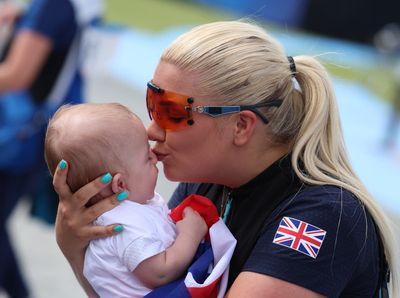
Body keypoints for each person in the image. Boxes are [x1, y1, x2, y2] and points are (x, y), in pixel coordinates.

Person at [51, 21, 399, 297]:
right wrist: (75, 249)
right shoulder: (204, 179)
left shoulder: (323, 216)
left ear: (241, 126)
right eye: (151, 102)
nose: (150, 129)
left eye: (171, 111)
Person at [44, 102, 208, 297]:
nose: (154, 156)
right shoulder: (124, 226)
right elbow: (160, 273)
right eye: (147, 158)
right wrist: (190, 234)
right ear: (120, 185)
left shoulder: (133, 209)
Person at [0, 0, 102, 296]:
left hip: (20, 134)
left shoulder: (53, 5)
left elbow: (17, 75)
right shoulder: (79, 6)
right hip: (41, 130)